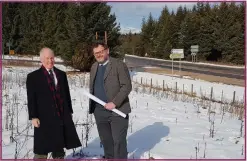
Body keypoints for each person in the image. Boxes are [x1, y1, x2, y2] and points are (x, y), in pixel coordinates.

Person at [26, 47, 81, 159]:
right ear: (41, 59)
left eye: (52, 58)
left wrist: (69, 111)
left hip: (60, 115)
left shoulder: (61, 74)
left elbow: (66, 95)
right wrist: (33, 116)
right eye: (47, 58)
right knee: (42, 148)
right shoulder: (33, 77)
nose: (50, 61)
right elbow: (31, 99)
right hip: (43, 117)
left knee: (58, 145)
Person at [89, 40, 132, 159]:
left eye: (101, 52)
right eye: (96, 53)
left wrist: (114, 102)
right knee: (106, 141)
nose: (98, 55)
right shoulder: (94, 67)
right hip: (100, 111)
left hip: (118, 111)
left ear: (107, 51)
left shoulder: (118, 65)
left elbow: (127, 86)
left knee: (118, 142)